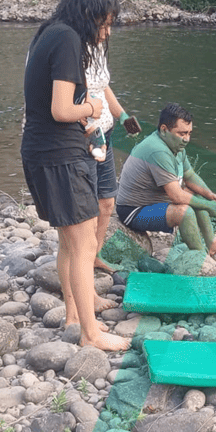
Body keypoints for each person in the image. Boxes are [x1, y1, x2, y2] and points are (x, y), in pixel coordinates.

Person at [21, 0, 129, 351]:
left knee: (70, 240)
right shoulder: (68, 39)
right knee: (83, 244)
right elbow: (61, 109)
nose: (107, 31)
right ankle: (91, 333)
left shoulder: (49, 32)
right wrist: (92, 109)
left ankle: (75, 314)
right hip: (59, 156)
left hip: (42, 151)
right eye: (105, 23)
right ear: (89, 14)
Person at [115, 103, 216, 262]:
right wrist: (209, 206)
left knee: (198, 196)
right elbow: (175, 196)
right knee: (184, 212)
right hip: (133, 211)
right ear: (164, 129)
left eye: (189, 133)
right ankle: (200, 260)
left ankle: (211, 243)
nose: (186, 139)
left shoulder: (175, 145)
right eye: (181, 133)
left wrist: (211, 196)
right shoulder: (157, 150)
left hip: (154, 203)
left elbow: (190, 176)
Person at [82, 34, 141, 273]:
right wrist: (90, 128)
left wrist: (123, 115)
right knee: (86, 204)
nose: (107, 33)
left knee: (106, 200)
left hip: (107, 131)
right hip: (87, 136)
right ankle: (81, 260)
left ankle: (96, 254)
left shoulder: (97, 49)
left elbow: (102, 87)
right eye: (104, 25)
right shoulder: (70, 48)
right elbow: (72, 95)